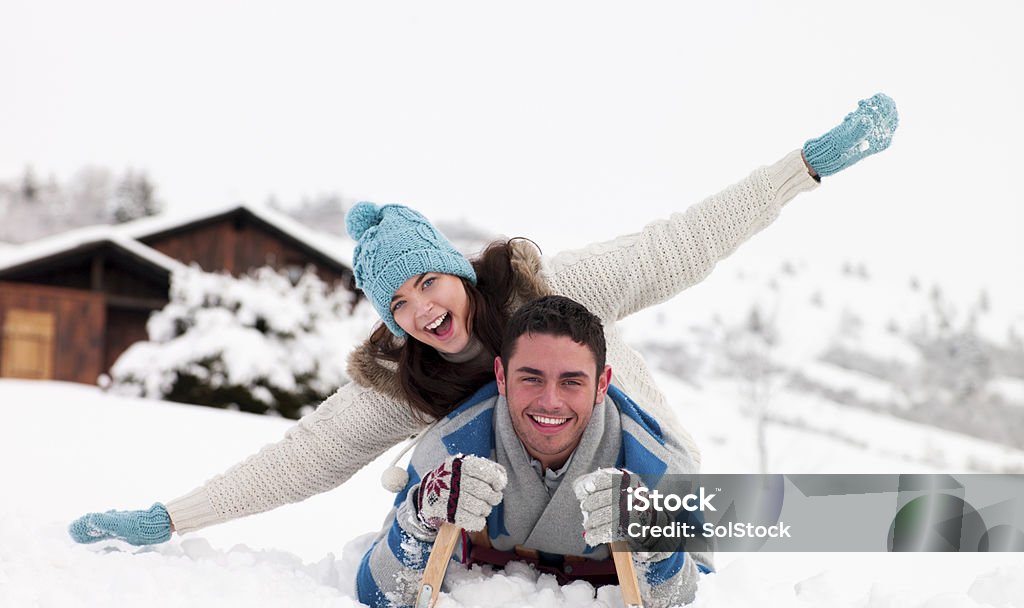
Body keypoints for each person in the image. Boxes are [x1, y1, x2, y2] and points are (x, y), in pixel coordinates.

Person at [68, 94, 899, 548]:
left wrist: (805, 169)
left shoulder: (551, 289)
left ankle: (669, 507)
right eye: (398, 303)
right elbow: (305, 459)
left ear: (458, 269)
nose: (421, 308)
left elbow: (675, 246)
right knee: (459, 429)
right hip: (508, 521)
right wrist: (171, 517)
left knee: (565, 368)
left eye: (428, 281)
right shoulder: (404, 381)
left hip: (624, 475)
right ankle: (461, 522)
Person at [357, 296, 714, 608]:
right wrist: (419, 520)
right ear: (501, 375)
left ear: (602, 384)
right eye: (531, 379)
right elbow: (376, 592)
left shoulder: (660, 465)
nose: (550, 402)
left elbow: (706, 599)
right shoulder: (451, 446)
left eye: (571, 382)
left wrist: (654, 537)